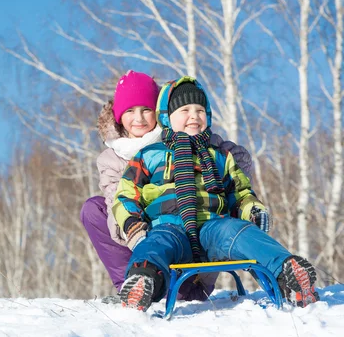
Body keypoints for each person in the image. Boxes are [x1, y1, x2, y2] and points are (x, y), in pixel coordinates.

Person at [112, 75, 320, 311]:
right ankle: (144, 280)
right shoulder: (149, 155)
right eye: (185, 110)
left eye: (200, 110)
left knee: (239, 232)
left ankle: (287, 272)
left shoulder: (219, 154)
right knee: (155, 244)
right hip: (168, 226)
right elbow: (126, 196)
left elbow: (241, 192)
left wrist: (252, 211)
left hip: (214, 227)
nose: (194, 115)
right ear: (166, 118)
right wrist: (131, 223)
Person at [80, 70, 252, 301]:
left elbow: (238, 159)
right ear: (119, 116)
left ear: (160, 112)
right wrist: (138, 229)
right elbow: (116, 207)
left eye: (146, 110)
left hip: (190, 250)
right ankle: (134, 285)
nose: (138, 118)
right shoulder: (112, 159)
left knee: (174, 206)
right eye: (130, 111)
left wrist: (203, 153)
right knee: (96, 209)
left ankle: (179, 281)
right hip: (145, 241)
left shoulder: (178, 136)